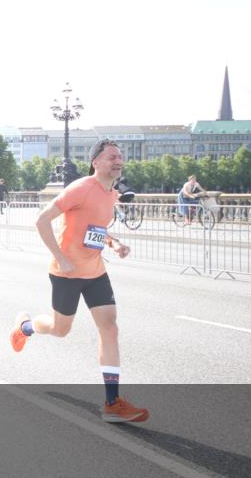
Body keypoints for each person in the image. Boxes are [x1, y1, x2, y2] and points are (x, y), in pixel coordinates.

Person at [10, 139, 149, 423]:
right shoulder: (81, 188)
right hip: (67, 273)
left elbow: (96, 230)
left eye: (120, 157)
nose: (118, 160)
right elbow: (42, 220)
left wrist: (114, 243)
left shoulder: (111, 194)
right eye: (112, 156)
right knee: (60, 330)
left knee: (109, 328)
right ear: (96, 162)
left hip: (95, 272)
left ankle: (112, 402)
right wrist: (60, 257)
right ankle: (24, 327)